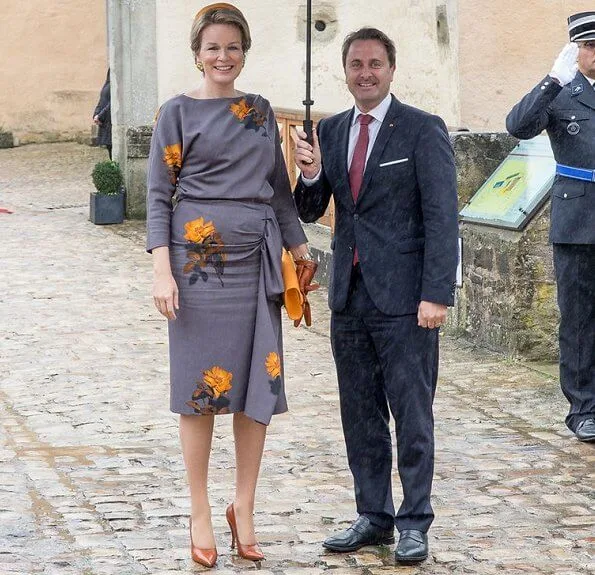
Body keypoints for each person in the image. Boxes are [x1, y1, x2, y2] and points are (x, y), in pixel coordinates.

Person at [146, 3, 310, 567]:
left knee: (254, 392)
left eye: (233, 47)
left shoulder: (260, 112)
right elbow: (158, 196)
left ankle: (245, 505)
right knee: (199, 393)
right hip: (196, 272)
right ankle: (198, 509)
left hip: (257, 266)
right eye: (213, 47)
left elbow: (278, 188)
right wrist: (161, 269)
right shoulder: (176, 113)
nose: (223, 57)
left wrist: (299, 248)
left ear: (244, 53)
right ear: (198, 53)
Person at [293, 27, 458, 564]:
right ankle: (373, 515)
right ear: (345, 71)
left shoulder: (421, 130)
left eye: (375, 64)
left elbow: (441, 216)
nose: (365, 73)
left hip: (408, 299)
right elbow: (312, 210)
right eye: (356, 64)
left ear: (391, 69)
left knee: (412, 414)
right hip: (350, 297)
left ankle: (415, 521)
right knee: (359, 412)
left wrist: (437, 294)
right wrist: (311, 173)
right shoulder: (333, 130)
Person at [506, 12, 595, 443]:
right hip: (578, 219)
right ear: (575, 50)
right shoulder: (561, 92)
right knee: (579, 318)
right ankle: (583, 408)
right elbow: (517, 126)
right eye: (590, 45)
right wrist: (551, 80)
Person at [93, 69, 112, 159]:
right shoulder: (107, 84)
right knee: (109, 148)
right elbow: (102, 100)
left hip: (109, 120)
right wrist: (96, 114)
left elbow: (112, 103)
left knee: (111, 148)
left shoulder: (114, 85)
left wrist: (100, 116)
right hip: (105, 122)